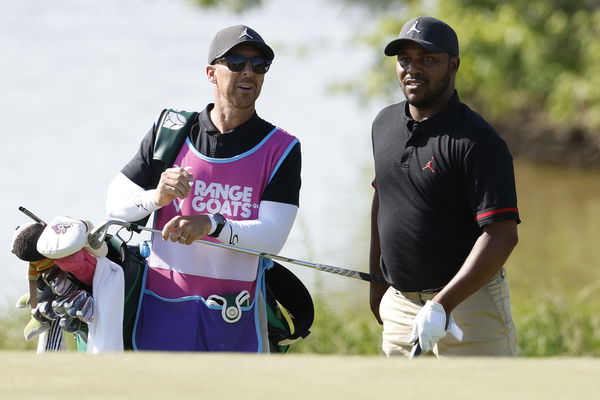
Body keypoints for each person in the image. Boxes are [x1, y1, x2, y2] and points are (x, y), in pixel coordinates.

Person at [105, 25, 301, 352]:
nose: (249, 72)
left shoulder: (281, 148)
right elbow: (115, 205)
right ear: (212, 73)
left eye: (259, 65)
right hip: (160, 306)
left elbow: (273, 237)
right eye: (237, 62)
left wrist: (211, 224)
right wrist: (157, 197)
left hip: (235, 314)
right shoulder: (170, 130)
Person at [369, 16, 520, 357]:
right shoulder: (384, 124)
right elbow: (383, 200)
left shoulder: (478, 141)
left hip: (470, 304)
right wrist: (377, 284)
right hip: (401, 305)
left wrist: (442, 305)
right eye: (404, 59)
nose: (412, 69)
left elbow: (502, 234)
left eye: (428, 60)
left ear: (453, 64)